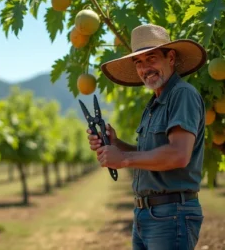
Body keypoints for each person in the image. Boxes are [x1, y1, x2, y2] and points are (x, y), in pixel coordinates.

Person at [87, 24, 207, 250]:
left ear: (170, 57)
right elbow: (148, 155)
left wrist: (123, 158)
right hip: (147, 214)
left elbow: (178, 155)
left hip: (171, 214)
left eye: (150, 59)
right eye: (138, 63)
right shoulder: (154, 104)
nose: (144, 69)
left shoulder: (182, 94)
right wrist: (115, 143)